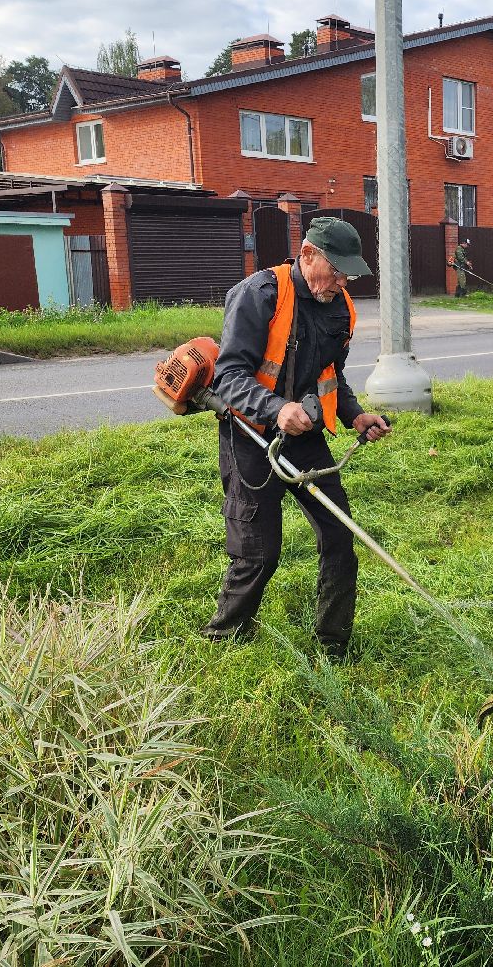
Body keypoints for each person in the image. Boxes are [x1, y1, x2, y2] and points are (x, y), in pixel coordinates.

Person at [199, 216, 391, 660]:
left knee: (340, 535)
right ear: (307, 255)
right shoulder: (259, 294)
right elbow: (229, 376)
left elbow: (331, 374)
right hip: (250, 435)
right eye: (336, 271)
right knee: (258, 554)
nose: (342, 283)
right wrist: (276, 409)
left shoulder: (338, 306)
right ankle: (224, 640)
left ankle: (332, 645)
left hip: (304, 437)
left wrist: (355, 414)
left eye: (348, 275)